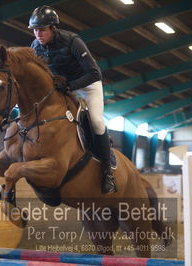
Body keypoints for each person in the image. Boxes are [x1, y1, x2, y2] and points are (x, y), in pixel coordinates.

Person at [28, 6, 117, 194]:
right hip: (61, 88)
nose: (38, 34)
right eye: (35, 30)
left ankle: (108, 171)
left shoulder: (73, 41)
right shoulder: (35, 47)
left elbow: (94, 73)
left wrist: (70, 86)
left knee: (97, 121)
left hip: (87, 85)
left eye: (42, 29)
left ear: (53, 28)